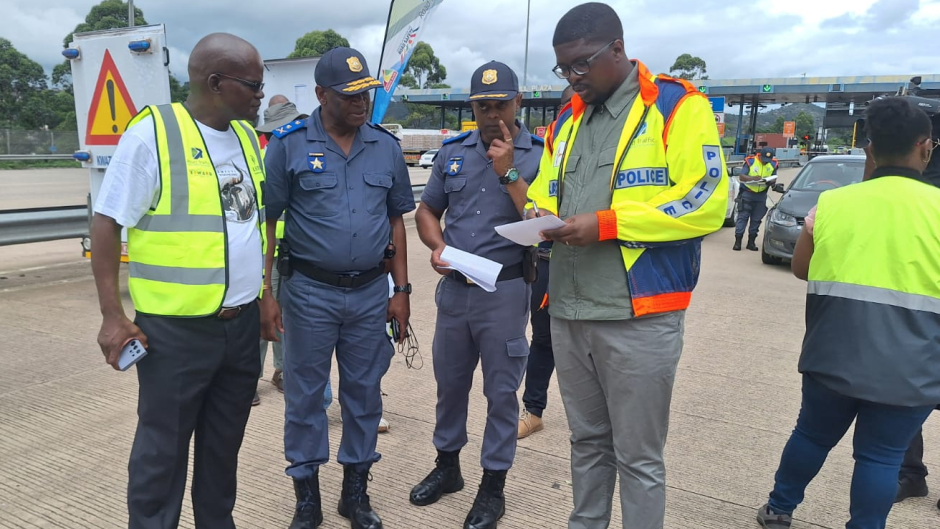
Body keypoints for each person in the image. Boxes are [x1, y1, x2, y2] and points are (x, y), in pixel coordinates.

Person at [525, 3, 729, 528]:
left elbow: (706, 201)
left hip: (639, 315)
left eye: (581, 65)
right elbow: (545, 191)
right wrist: (537, 215)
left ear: (617, 49)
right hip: (569, 309)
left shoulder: (676, 107)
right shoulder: (565, 122)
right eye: (563, 68)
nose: (572, 79)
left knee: (638, 458)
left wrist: (609, 223)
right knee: (587, 443)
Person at [90, 33, 267, 529]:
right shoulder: (154, 134)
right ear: (215, 83)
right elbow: (106, 222)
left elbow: (251, 224)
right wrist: (112, 315)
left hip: (240, 326)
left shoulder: (248, 138)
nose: (260, 94)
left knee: (222, 449)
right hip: (175, 333)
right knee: (161, 455)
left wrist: (265, 296)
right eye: (252, 84)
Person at [756, 96, 940, 529]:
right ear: (926, 147)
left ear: (869, 148)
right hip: (910, 370)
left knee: (811, 436)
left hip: (831, 357)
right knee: (881, 456)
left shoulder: (833, 205)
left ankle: (779, 509)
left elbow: (801, 270)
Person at [261, 47, 414, 529]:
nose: (360, 103)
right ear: (322, 94)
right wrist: (267, 293)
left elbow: (396, 223)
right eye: (348, 95)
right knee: (305, 395)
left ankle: (355, 493)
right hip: (308, 292)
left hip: (371, 293)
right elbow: (267, 224)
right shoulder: (287, 144)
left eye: (364, 93)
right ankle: (307, 497)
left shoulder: (384, 146)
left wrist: (402, 290)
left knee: (365, 393)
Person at [409, 61, 543, 529]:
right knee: (450, 385)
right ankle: (448, 468)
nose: (491, 115)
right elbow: (427, 209)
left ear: (517, 102)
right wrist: (437, 245)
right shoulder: (453, 154)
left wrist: (508, 172)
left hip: (505, 291)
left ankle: (493, 487)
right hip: (456, 289)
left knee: (501, 392)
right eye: (482, 106)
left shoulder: (537, 155)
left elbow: (543, 224)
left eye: (500, 104)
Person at [518, 84, 573, 440]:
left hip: (596, 261)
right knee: (543, 338)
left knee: (591, 343)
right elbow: (530, 202)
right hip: (548, 258)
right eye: (567, 106)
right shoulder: (551, 153)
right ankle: (533, 410)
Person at [253, 95, 307, 404]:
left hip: (298, 253)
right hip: (267, 252)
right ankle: (250, 376)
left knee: (288, 316)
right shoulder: (261, 157)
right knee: (264, 312)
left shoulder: (306, 156)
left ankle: (283, 371)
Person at [733, 146, 778, 251]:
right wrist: (753, 178)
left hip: (761, 196)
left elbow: (774, 177)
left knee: (756, 220)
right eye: (764, 160)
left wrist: (770, 182)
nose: (765, 162)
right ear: (759, 156)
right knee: (742, 218)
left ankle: (751, 242)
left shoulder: (773, 164)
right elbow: (742, 176)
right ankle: (737, 242)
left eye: (768, 160)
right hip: (747, 194)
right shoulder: (751, 161)